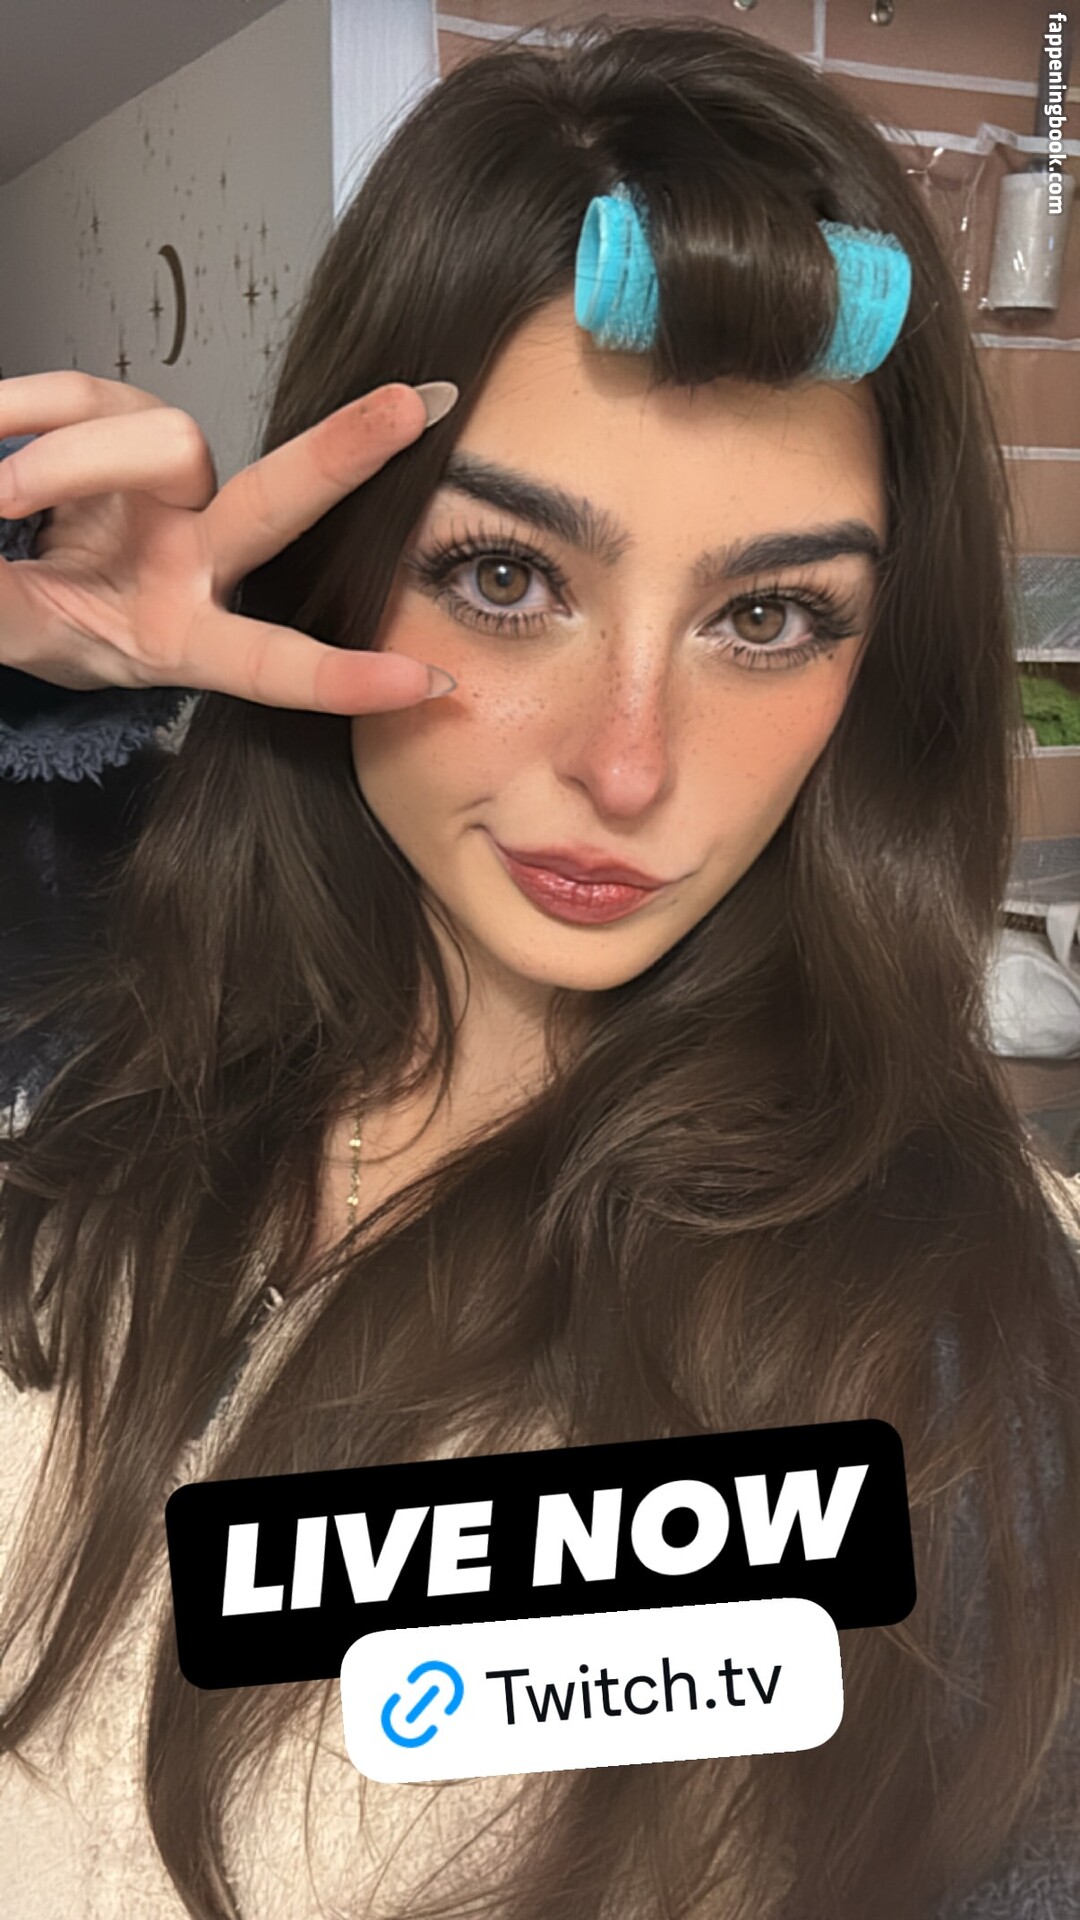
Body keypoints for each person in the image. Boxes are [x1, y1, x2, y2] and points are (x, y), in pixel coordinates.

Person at [0, 17, 1078, 1920]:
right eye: (507, 577)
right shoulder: (89, 1077)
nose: (629, 766)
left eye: (769, 615)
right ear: (338, 569)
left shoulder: (954, 1341)